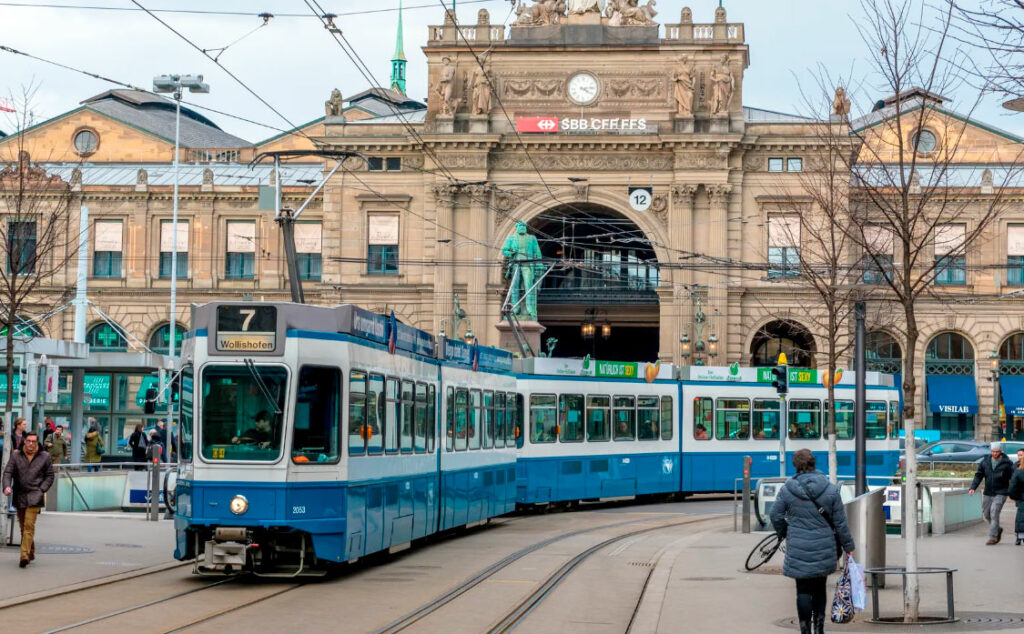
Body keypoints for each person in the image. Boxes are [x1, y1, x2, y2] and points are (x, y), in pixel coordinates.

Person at [770, 448, 855, 634]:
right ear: (814, 463)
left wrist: (786, 532)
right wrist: (849, 547)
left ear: (795, 465)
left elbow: (775, 515)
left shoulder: (787, 490)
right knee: (820, 588)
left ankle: (805, 629)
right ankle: (819, 628)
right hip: (824, 547)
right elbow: (840, 523)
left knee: (802, 590)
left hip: (798, 547)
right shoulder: (831, 490)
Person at [2, 432, 54, 568]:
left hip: (35, 495)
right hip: (20, 495)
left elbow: (49, 476)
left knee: (29, 526)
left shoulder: (45, 456)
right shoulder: (15, 455)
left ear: (37, 443)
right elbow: (8, 472)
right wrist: (7, 486)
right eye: (28, 441)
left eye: (34, 442)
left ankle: (24, 555)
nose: (31, 444)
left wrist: (41, 489)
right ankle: (30, 551)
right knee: (23, 527)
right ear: (24, 442)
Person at [969, 441, 1015, 545]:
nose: (994, 453)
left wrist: (1013, 490)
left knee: (994, 513)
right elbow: (978, 475)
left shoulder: (1007, 463)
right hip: (988, 492)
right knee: (986, 514)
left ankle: (993, 537)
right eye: (993, 452)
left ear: (1000, 451)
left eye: (997, 452)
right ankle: (997, 529)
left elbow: (1013, 478)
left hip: (1001, 492)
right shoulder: (985, 461)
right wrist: (973, 487)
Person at [1008, 449, 1024, 546]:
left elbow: (1012, 486)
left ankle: (1019, 536)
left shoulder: (1018, 472)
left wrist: (1015, 497)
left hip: (1021, 498)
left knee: (1021, 517)